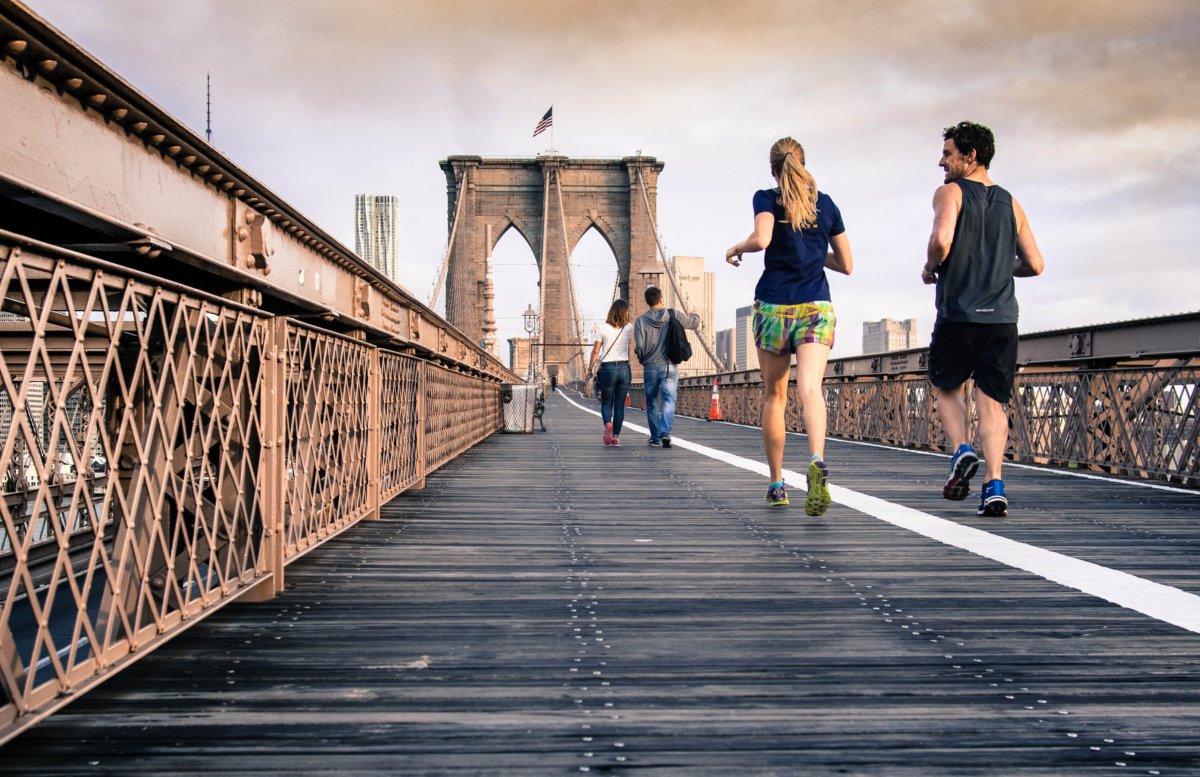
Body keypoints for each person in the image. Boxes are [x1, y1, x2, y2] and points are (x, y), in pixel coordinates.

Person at [922, 121, 1044, 517]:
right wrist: (998, 269)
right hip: (1003, 319)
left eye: (948, 153)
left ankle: (961, 451)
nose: (941, 161)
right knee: (992, 403)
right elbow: (1036, 264)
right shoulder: (1012, 202)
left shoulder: (950, 192)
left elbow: (941, 241)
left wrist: (930, 267)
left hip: (959, 313)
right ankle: (994, 485)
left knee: (946, 387)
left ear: (969, 156)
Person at [725, 137, 853, 514]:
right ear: (803, 163)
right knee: (811, 389)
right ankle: (816, 459)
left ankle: (777, 484)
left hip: (775, 307)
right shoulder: (826, 204)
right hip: (816, 305)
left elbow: (762, 238)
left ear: (773, 169)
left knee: (775, 397)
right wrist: (815, 252)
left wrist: (736, 248)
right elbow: (847, 264)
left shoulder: (766, 197)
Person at [633, 286, 699, 449]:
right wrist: (695, 314)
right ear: (661, 299)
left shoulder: (640, 321)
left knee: (652, 402)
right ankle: (666, 432)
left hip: (650, 367)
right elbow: (694, 324)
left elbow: (639, 347)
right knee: (669, 400)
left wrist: (645, 361)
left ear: (647, 302)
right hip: (669, 366)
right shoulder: (673, 314)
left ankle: (655, 438)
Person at [586, 299, 633, 446]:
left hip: (607, 369)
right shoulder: (629, 328)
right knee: (619, 405)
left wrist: (590, 369)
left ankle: (608, 424)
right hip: (624, 369)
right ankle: (616, 438)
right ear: (625, 312)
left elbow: (595, 351)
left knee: (606, 403)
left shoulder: (602, 328)